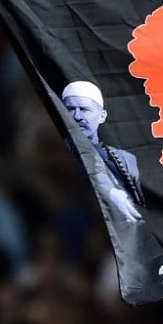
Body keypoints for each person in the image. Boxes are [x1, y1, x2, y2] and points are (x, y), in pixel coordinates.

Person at [62, 81, 144, 223]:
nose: (77, 116)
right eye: (70, 109)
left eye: (84, 109)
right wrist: (110, 193)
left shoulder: (126, 160)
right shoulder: (58, 153)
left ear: (102, 116)